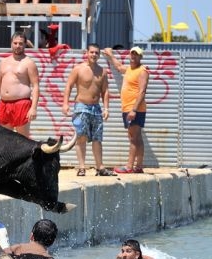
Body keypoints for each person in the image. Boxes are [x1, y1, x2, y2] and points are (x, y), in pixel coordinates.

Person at [62, 43, 114, 177]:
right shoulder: (78, 69)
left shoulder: (102, 71)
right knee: (81, 137)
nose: (94, 55)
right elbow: (69, 86)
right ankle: (81, 167)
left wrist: (106, 108)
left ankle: (100, 167)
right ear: (87, 53)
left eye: (96, 53)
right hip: (81, 106)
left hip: (96, 108)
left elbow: (105, 91)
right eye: (92, 52)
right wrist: (65, 104)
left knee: (97, 138)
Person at [103, 46, 149, 174]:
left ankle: (129, 166)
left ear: (140, 57)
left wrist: (134, 110)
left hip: (134, 108)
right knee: (136, 137)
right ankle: (138, 167)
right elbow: (118, 67)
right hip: (128, 107)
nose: (133, 57)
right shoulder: (129, 69)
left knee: (133, 137)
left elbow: (142, 91)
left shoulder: (142, 71)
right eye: (132, 54)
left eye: (136, 55)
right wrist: (110, 54)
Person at [0, 32, 39, 137]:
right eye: (15, 43)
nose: (18, 46)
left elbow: (36, 86)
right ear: (11, 44)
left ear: (25, 45)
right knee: (4, 139)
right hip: (4, 105)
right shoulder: (3, 62)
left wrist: (33, 108)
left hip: (21, 104)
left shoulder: (29, 63)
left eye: (21, 43)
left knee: (23, 140)